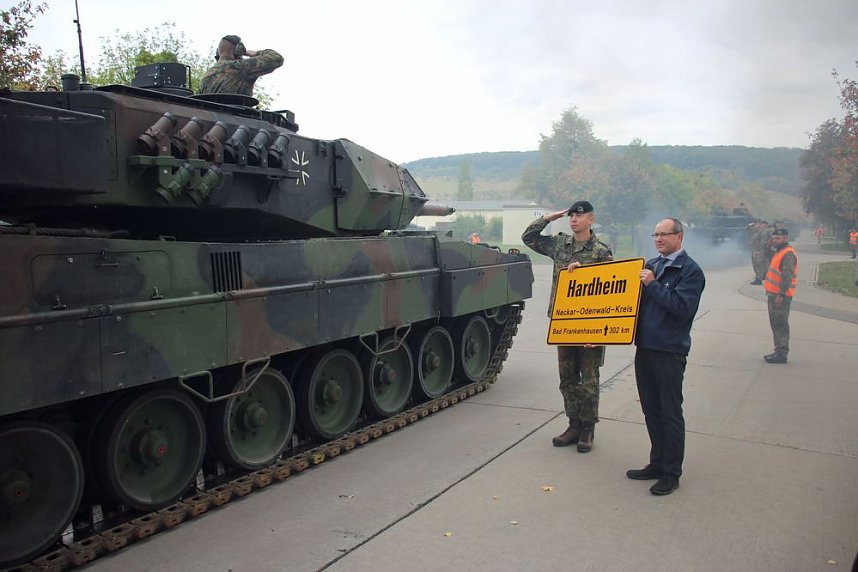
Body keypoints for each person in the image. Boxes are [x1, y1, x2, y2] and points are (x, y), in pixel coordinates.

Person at [522, 201, 612, 453]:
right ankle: (573, 424)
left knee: (589, 379)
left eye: (579, 216)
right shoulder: (560, 245)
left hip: (590, 323)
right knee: (567, 377)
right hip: (564, 321)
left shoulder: (601, 252)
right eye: (571, 215)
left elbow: (612, 294)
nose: (574, 219)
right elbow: (528, 238)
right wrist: (548, 218)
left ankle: (587, 429)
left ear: (591, 219)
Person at [627, 218, 705, 496]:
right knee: (651, 410)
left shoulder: (690, 271)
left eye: (664, 234)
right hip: (645, 347)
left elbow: (682, 308)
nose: (658, 239)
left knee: (670, 412)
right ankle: (657, 462)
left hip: (669, 351)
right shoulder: (652, 264)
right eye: (655, 234)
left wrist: (654, 285)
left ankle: (671, 473)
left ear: (679, 237)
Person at [198, 35, 284, 96]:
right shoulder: (240, 67)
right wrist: (250, 53)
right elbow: (277, 58)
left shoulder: (206, 76)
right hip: (236, 119)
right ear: (238, 49)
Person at [763, 228, 797, 364]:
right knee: (775, 323)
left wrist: (781, 294)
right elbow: (766, 254)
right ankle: (778, 350)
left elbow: (787, 276)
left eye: (778, 238)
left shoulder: (788, 254)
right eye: (774, 238)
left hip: (780, 296)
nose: (775, 240)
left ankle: (782, 353)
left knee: (780, 324)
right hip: (773, 294)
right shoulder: (779, 251)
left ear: (786, 238)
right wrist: (769, 243)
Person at [750, 220, 772, 285]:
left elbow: (763, 243)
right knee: (756, 265)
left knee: (760, 266)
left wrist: (760, 251)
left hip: (760, 251)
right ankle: (758, 277)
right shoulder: (756, 231)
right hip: (755, 250)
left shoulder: (763, 232)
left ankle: (759, 279)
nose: (757, 225)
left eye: (760, 224)